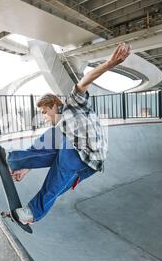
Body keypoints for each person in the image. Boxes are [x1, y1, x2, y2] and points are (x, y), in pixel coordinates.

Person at [7, 43, 131, 224]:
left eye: (44, 112)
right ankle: (19, 166)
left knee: (56, 143)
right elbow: (45, 152)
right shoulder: (61, 131)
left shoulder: (73, 105)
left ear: (53, 106)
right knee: (53, 157)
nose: (44, 117)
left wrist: (110, 63)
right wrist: (26, 168)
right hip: (82, 164)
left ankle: (29, 200)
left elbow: (84, 81)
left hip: (88, 155)